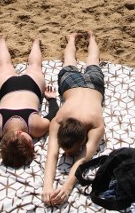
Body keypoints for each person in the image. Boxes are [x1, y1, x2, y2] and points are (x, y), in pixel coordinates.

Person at [42, 32, 106, 207]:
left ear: (84, 138)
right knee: (91, 61)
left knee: (77, 61)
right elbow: (52, 154)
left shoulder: (96, 125)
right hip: (83, 86)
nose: (69, 155)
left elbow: (83, 159)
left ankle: (82, 38)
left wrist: (68, 186)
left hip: (82, 86)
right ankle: (86, 38)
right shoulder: (58, 120)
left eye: (71, 151)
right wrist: (47, 185)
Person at [0, 37, 58, 168]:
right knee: (5, 66)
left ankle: (33, 43)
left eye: (30, 144)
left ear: (19, 133)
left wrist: (52, 98)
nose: (33, 143)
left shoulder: (35, 128)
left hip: (32, 87)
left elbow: (53, 114)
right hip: (6, 88)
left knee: (35, 66)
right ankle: (7, 42)